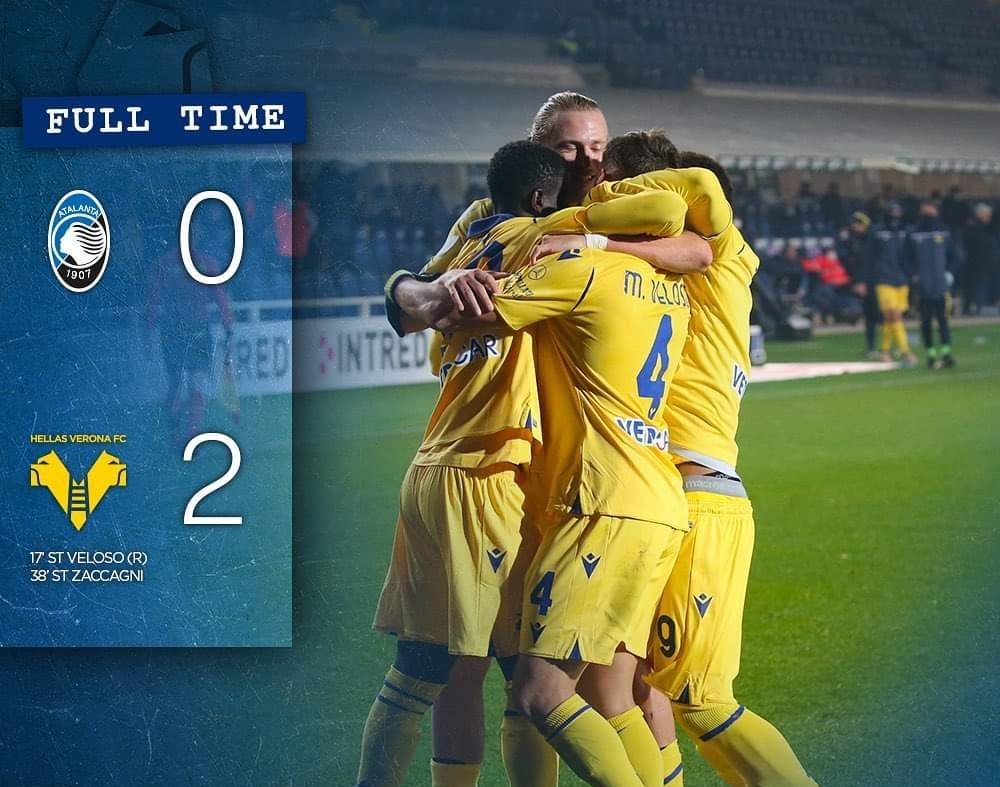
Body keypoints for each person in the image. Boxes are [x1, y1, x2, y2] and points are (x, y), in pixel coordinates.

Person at [382, 93, 711, 787]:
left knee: (600, 681)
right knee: (493, 670)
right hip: (527, 476)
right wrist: (433, 289)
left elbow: (688, 235)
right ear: (541, 158)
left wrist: (595, 241)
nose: (589, 161)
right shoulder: (493, 218)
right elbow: (417, 293)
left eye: (598, 147)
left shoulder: (592, 224)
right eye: (571, 149)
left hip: (586, 482)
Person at [534, 134, 818, 787]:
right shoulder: (666, 270)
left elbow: (703, 192)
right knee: (631, 687)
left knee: (702, 700)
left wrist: (594, 222)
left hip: (701, 492)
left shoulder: (723, 254)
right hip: (659, 495)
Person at [910, 201, 959, 368]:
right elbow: (907, 258)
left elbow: (955, 256)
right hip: (923, 287)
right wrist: (914, 275)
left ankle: (946, 353)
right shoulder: (915, 233)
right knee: (925, 321)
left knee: (943, 320)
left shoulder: (944, 232)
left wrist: (949, 272)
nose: (928, 211)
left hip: (940, 285)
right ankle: (930, 354)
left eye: (930, 208)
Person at [871, 203, 918, 367]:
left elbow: (910, 255)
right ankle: (906, 351)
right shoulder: (878, 233)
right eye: (893, 212)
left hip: (901, 280)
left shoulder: (906, 233)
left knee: (890, 318)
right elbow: (871, 256)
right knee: (894, 314)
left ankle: (884, 351)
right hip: (884, 280)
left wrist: (910, 273)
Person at [840, 212, 881, 357]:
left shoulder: (874, 240)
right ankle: (871, 347)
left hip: (877, 282)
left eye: (857, 224)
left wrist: (863, 282)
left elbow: (871, 264)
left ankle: (888, 347)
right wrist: (857, 282)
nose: (854, 227)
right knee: (870, 317)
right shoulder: (855, 241)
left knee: (881, 316)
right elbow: (854, 264)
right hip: (865, 283)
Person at [962, 203, 999, 315]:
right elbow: (978, 245)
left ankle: (978, 306)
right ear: (981, 215)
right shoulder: (974, 227)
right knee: (977, 286)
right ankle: (977, 307)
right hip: (977, 262)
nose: (989, 218)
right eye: (987, 215)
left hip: (982, 262)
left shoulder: (984, 227)